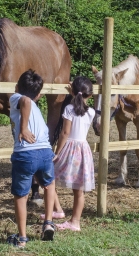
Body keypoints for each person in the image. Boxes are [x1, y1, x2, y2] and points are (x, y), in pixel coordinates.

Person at [6, 69, 56, 247]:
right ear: (40, 95)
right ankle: (48, 223)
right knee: (49, 185)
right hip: (45, 151)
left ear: (17, 87)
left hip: (25, 153)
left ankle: (22, 238)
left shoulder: (16, 98)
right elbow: (29, 100)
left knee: (21, 195)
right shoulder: (35, 105)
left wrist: (23, 128)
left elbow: (25, 100)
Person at [41, 76, 95, 231]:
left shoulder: (69, 109)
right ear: (90, 95)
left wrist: (57, 152)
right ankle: (75, 221)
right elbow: (81, 102)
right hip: (83, 149)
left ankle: (57, 210)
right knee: (79, 190)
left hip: (70, 148)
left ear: (72, 91)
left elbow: (65, 132)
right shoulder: (91, 112)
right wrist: (75, 93)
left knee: (49, 176)